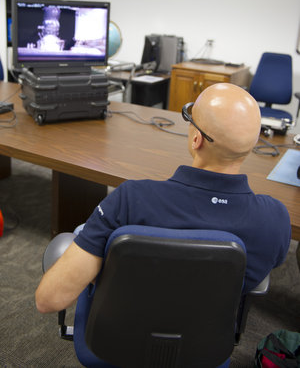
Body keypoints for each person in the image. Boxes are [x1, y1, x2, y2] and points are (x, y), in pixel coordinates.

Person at [35, 83, 291, 314]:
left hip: (119, 336)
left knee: (85, 232)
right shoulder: (275, 220)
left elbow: (49, 301)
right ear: (253, 143)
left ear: (196, 139)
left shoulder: (130, 200)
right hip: (204, 348)